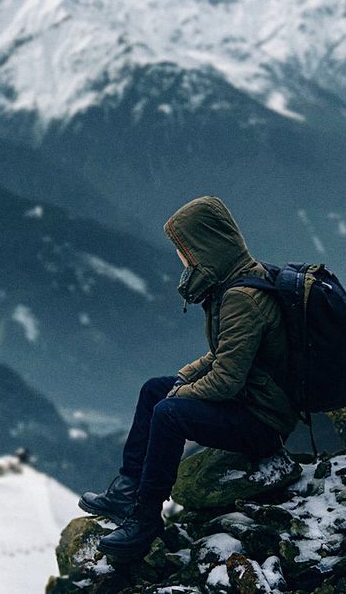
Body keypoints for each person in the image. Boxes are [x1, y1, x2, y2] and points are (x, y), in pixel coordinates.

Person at [79, 195, 299, 556]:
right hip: (251, 400)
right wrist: (184, 378)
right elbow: (223, 354)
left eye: (185, 249)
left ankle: (145, 517)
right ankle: (126, 490)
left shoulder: (241, 298)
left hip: (263, 421)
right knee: (155, 390)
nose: (182, 258)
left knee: (168, 413)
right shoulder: (235, 282)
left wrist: (181, 395)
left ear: (205, 246)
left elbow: (227, 379)